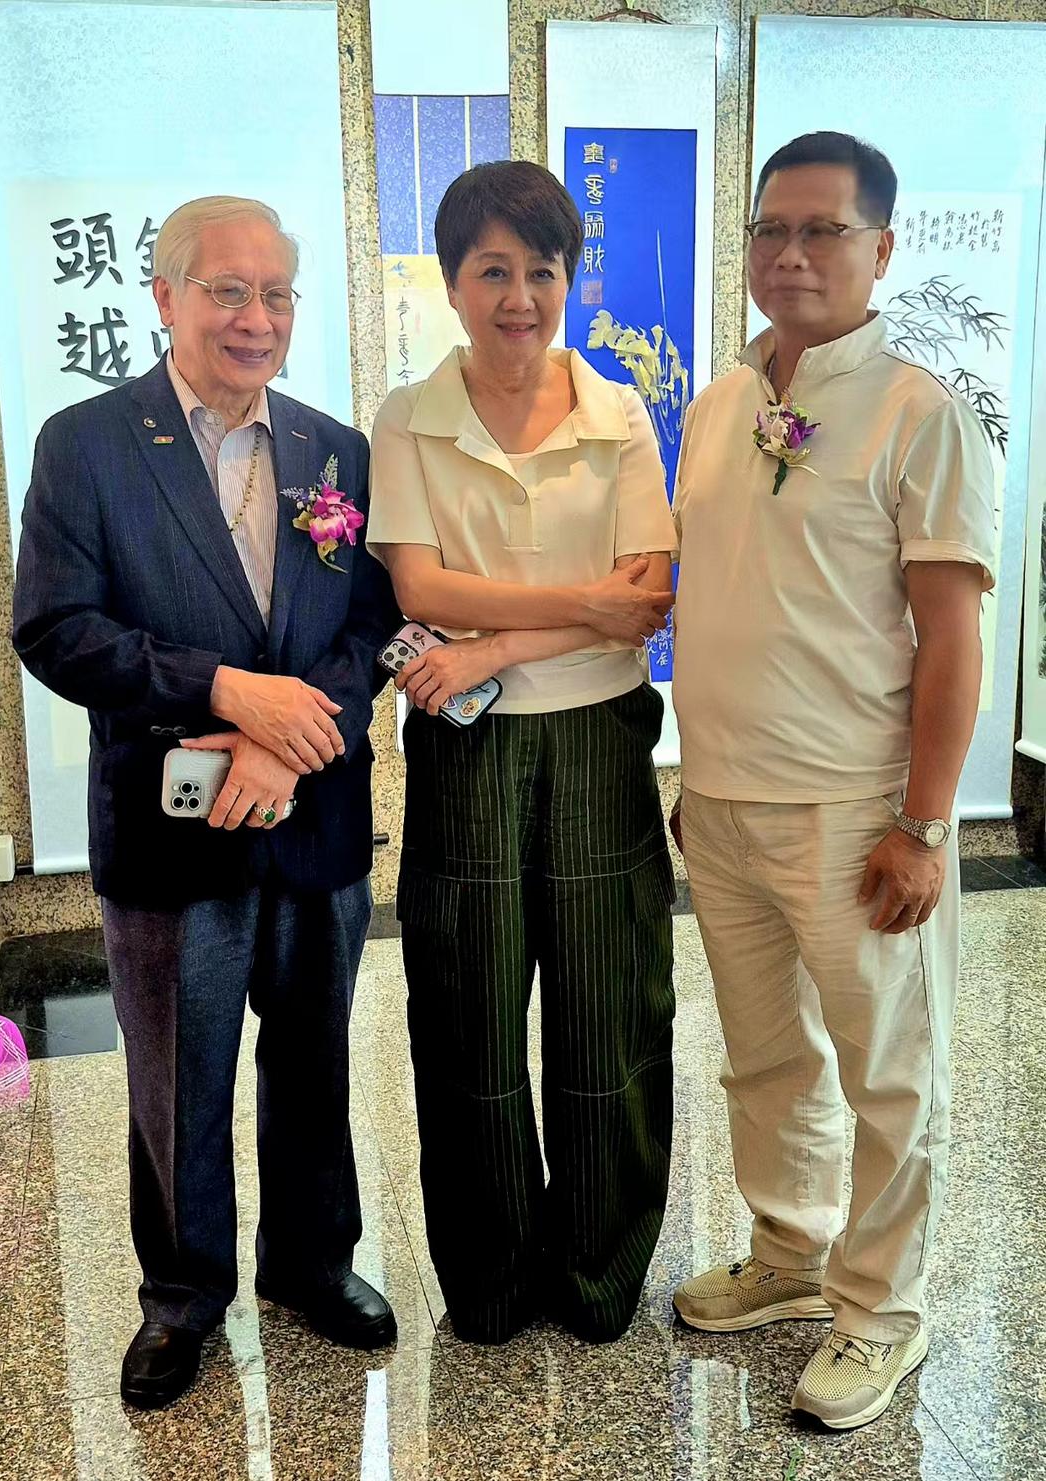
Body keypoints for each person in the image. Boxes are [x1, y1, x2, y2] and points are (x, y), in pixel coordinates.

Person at [13, 195, 401, 1409]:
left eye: (276, 293)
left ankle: (312, 1262)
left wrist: (292, 739)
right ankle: (181, 1297)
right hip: (172, 828)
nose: (256, 317)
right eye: (228, 290)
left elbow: (372, 623)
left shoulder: (336, 449)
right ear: (167, 296)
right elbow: (57, 628)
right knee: (177, 1077)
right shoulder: (87, 443)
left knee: (315, 1055)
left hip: (315, 818)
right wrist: (228, 692)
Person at [669, 133, 996, 1428]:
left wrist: (925, 822)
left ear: (881, 248)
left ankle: (882, 1309)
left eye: (823, 230)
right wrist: (697, 776)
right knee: (765, 1059)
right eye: (771, 230)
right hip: (724, 800)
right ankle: (791, 1252)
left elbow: (952, 637)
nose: (791, 254)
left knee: (890, 1074)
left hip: (857, 810)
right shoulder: (718, 404)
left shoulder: (920, 411)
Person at [367, 160, 678, 1345]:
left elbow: (644, 597)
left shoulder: (617, 411)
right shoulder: (410, 416)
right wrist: (580, 606)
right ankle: (491, 1280)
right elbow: (420, 585)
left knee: (611, 1011)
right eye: (490, 270)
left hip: (599, 733)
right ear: (451, 283)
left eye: (540, 270)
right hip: (470, 743)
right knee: (470, 1015)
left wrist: (501, 642)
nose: (518, 296)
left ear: (568, 280)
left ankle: (599, 1273)